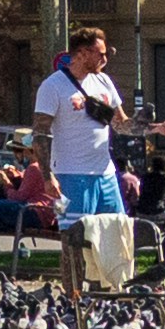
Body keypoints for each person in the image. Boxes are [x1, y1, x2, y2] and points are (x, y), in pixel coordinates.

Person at [33, 26, 129, 222]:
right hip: (69, 175)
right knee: (73, 239)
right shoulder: (52, 86)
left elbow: (121, 124)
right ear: (83, 54)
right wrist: (46, 177)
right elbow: (40, 134)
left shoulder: (104, 81)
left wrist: (157, 128)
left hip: (106, 174)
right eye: (101, 54)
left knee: (117, 233)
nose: (105, 60)